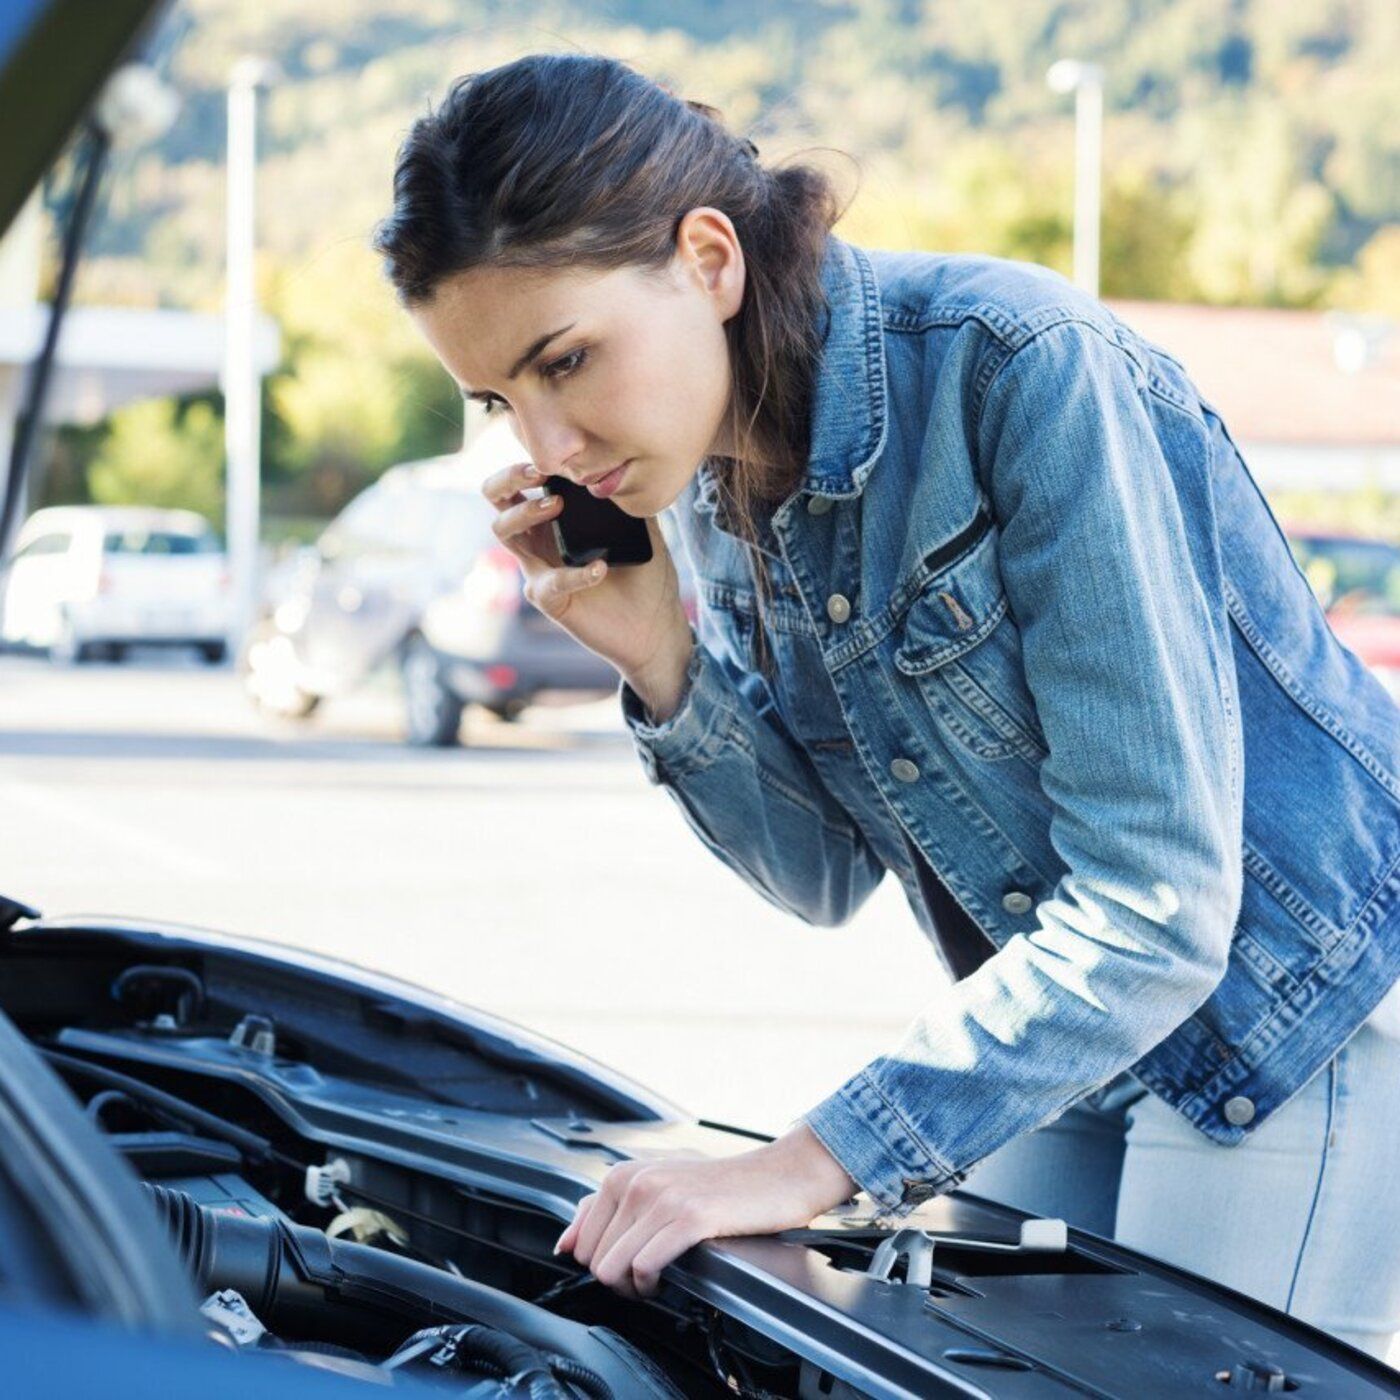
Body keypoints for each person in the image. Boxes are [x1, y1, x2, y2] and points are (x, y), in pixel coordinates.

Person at [373, 53, 1400, 1356]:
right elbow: (818, 876)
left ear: (708, 259)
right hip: (1061, 1019)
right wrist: (662, 665)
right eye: (500, 400)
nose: (548, 448)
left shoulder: (1021, 367)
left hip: (1281, 1009)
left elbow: (1162, 903)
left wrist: (811, 1159)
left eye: (565, 360)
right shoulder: (707, 484)